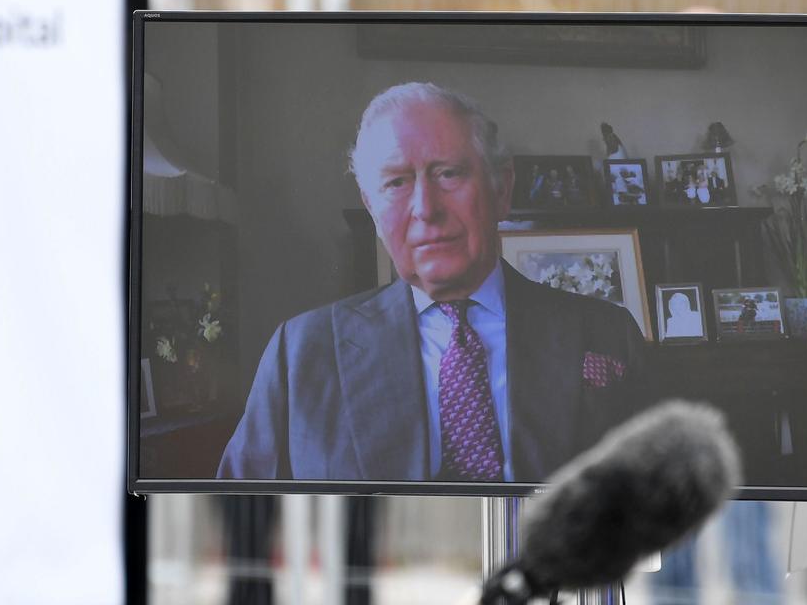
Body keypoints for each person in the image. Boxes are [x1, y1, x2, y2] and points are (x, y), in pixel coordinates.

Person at [218, 82, 645, 483]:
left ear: (502, 190)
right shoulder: (300, 352)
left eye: (449, 174)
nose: (425, 209)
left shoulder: (609, 332)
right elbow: (240, 527)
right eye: (397, 183)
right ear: (371, 209)